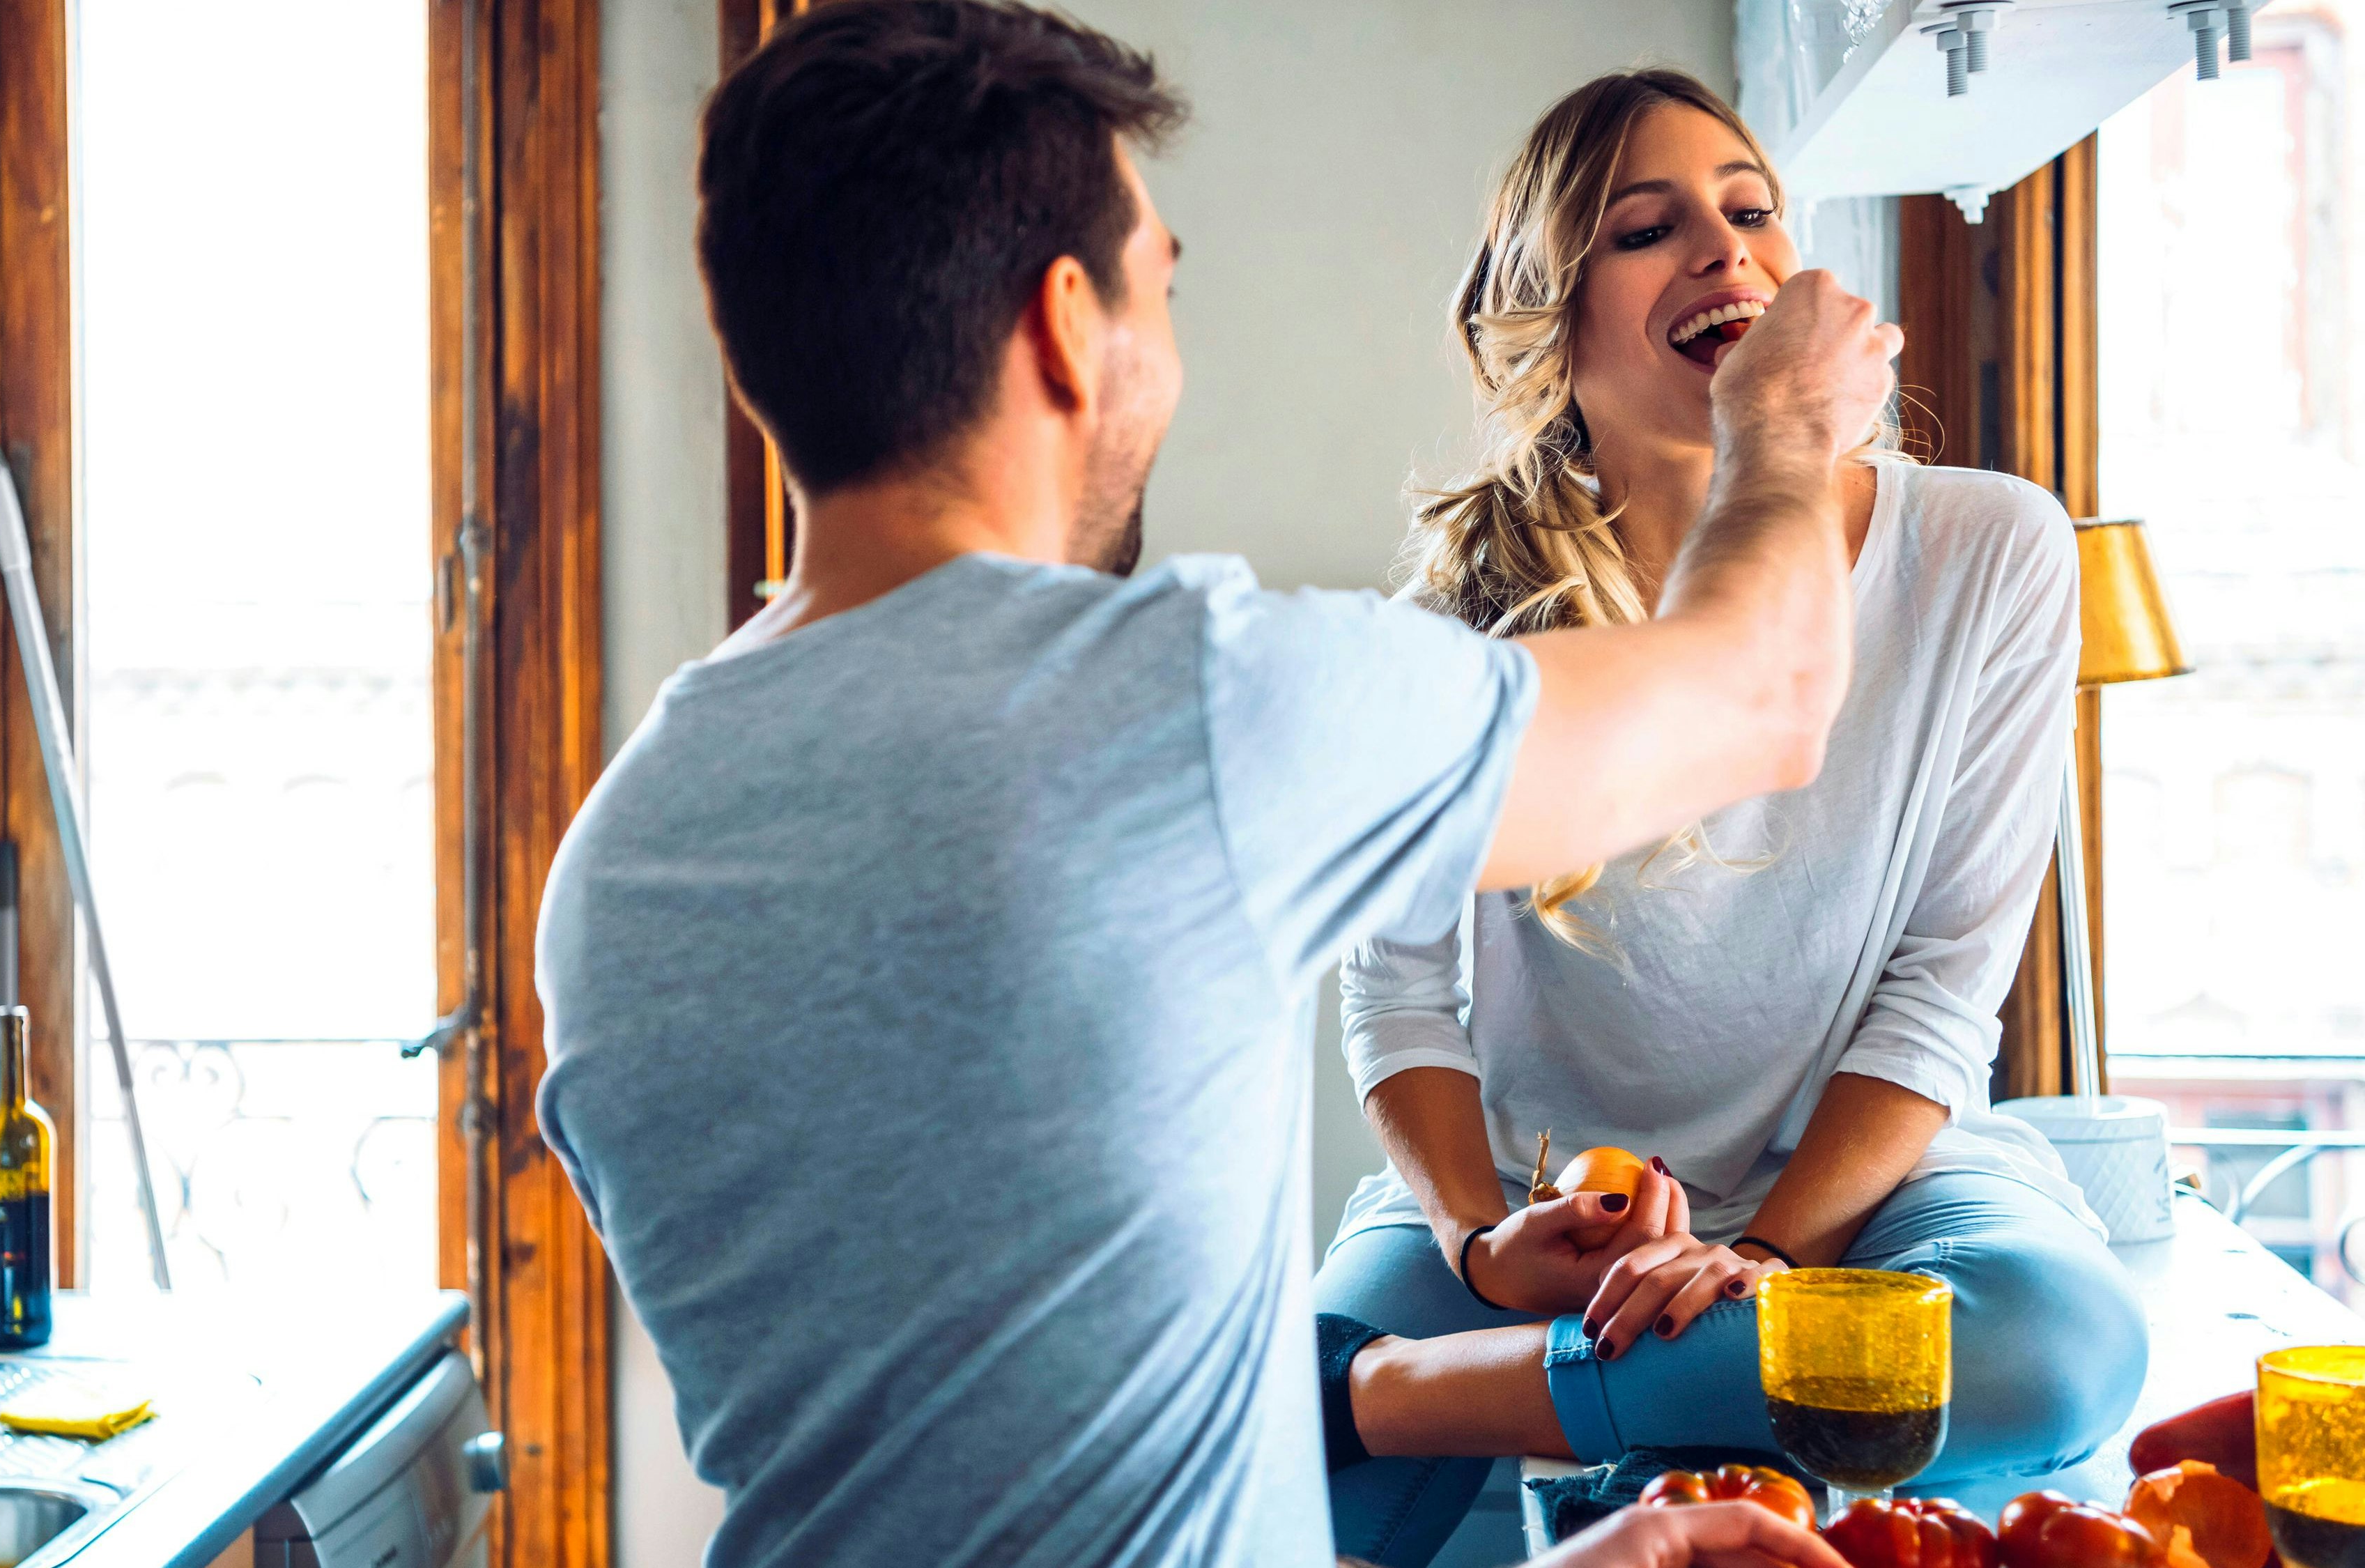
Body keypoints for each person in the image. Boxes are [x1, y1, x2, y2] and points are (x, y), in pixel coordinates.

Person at [534, 4, 1896, 1563]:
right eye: (1158, 288)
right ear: (1064, 323)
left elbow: (992, 1446)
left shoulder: (615, 865)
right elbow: (1766, 695)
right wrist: (1782, 428)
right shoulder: (1185, 701)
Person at [1311, 70, 2150, 1567]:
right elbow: (1393, 993)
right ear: (1549, 316)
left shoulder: (1988, 549)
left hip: (1863, 1188)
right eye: (1648, 229)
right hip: (1523, 1211)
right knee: (1261, 1488)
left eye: (1751, 211)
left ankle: (1400, 1400)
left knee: (2054, 1343)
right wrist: (1474, 1247)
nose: (1724, 251)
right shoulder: (1451, 618)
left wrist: (1753, 1259)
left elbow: (1939, 997)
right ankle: (1496, 1390)